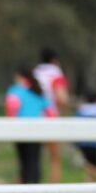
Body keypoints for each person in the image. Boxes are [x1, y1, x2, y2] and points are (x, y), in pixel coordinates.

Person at [5, 67, 51, 184]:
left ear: (20, 76)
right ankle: (36, 188)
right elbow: (48, 111)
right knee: (35, 160)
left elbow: (11, 109)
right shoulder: (37, 90)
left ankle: (25, 186)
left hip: (20, 131)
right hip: (37, 131)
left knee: (23, 161)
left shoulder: (14, 90)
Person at [33, 48, 71, 183]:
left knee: (32, 159)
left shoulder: (35, 73)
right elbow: (62, 98)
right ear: (55, 60)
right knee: (54, 158)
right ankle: (54, 192)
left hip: (32, 117)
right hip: (50, 116)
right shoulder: (56, 73)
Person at [74, 89, 96, 182]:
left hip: (84, 142)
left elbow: (77, 126)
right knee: (95, 163)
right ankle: (92, 179)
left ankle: (89, 179)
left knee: (88, 163)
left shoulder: (82, 110)